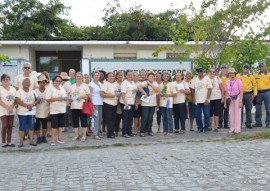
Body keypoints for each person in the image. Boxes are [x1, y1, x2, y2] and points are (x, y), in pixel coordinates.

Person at [120, 70, 147, 138]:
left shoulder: (132, 83)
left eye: (131, 75)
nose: (130, 76)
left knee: (130, 118)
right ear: (126, 76)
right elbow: (123, 94)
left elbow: (135, 93)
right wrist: (126, 103)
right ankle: (124, 132)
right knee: (125, 118)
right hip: (125, 103)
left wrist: (136, 103)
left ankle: (129, 131)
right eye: (128, 75)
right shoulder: (124, 83)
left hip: (132, 103)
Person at [15, 78, 40, 147]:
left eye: (28, 83)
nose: (27, 84)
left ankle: (31, 141)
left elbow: (38, 98)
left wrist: (33, 104)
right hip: (22, 113)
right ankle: (21, 142)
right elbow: (17, 100)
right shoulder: (19, 91)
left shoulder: (33, 91)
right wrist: (26, 106)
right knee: (22, 127)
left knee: (31, 127)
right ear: (22, 84)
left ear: (30, 84)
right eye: (25, 82)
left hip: (31, 112)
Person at [46, 76, 67, 146]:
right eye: (56, 80)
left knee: (61, 125)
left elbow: (65, 96)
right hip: (54, 110)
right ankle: (52, 140)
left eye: (59, 81)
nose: (58, 82)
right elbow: (48, 99)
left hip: (62, 109)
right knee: (54, 126)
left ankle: (59, 138)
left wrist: (65, 98)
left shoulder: (62, 88)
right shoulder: (50, 88)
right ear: (53, 81)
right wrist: (57, 99)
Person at [70, 72, 91, 141]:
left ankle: (84, 135)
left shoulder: (85, 85)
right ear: (75, 77)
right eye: (77, 76)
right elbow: (70, 95)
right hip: (73, 106)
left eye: (79, 76)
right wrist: (70, 98)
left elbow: (88, 96)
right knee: (75, 121)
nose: (78, 78)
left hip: (82, 106)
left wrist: (82, 96)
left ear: (82, 78)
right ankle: (76, 135)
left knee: (83, 121)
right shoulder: (72, 86)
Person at [191, 67, 212, 133]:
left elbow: (210, 89)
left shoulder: (207, 78)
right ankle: (199, 128)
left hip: (205, 100)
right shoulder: (195, 79)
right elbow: (193, 90)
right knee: (197, 115)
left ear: (203, 71)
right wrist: (193, 99)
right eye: (198, 71)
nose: (200, 72)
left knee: (206, 114)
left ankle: (206, 128)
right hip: (197, 100)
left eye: (201, 71)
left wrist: (207, 99)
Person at [236, 63, 257, 128]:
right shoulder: (238, 76)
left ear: (248, 69)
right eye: (244, 67)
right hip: (240, 95)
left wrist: (254, 94)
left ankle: (248, 123)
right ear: (242, 68)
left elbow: (255, 86)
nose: (245, 68)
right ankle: (239, 123)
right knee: (240, 109)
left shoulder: (251, 77)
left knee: (248, 109)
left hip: (248, 95)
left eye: (247, 67)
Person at [140, 71, 159, 137]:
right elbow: (139, 87)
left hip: (153, 103)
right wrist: (144, 93)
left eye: (152, 77)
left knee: (150, 118)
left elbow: (157, 90)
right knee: (144, 118)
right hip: (145, 103)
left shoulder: (155, 83)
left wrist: (150, 84)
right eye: (150, 76)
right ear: (147, 77)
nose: (151, 78)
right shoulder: (145, 82)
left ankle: (149, 130)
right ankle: (142, 131)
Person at [100, 72, 119, 138]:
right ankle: (109, 133)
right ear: (107, 77)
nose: (112, 77)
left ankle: (112, 131)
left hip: (115, 103)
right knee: (109, 119)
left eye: (113, 76)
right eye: (110, 76)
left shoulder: (115, 84)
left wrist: (117, 94)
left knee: (113, 118)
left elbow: (117, 92)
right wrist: (109, 95)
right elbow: (102, 94)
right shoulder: (105, 84)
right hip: (107, 104)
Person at [224, 68, 243, 134]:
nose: (231, 74)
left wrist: (241, 100)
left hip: (237, 98)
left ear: (235, 74)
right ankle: (232, 128)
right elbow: (226, 92)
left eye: (233, 73)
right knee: (231, 114)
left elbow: (241, 91)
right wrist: (225, 102)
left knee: (237, 114)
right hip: (230, 99)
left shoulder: (238, 81)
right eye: (230, 73)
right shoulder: (227, 82)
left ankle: (237, 129)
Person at [0, 74, 16, 148]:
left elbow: (16, 99)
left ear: (9, 80)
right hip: (3, 109)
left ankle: (9, 142)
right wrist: (7, 107)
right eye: (4, 79)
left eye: (7, 79)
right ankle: (3, 142)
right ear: (1, 81)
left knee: (10, 125)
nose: (6, 81)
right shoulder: (0, 88)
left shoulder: (13, 89)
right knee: (4, 125)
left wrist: (12, 106)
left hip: (11, 109)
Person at [253, 62, 270, 128]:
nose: (261, 68)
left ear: (265, 67)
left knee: (268, 108)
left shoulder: (269, 75)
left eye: (263, 66)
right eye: (260, 67)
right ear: (259, 67)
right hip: (258, 93)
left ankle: (268, 122)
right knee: (257, 108)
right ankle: (258, 122)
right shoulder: (255, 75)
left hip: (267, 92)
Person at [35, 74, 50, 144]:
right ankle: (38, 137)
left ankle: (44, 137)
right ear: (38, 83)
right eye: (40, 82)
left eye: (44, 82)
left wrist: (50, 111)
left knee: (45, 126)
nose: (42, 83)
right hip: (37, 112)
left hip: (46, 111)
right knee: (37, 126)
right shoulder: (34, 91)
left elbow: (50, 101)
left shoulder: (48, 91)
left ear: (45, 83)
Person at [89, 71, 104, 140]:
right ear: (93, 76)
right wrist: (91, 104)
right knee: (96, 119)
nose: (97, 76)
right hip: (94, 103)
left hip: (100, 102)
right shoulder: (91, 84)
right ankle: (95, 134)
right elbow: (90, 94)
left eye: (98, 75)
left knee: (100, 119)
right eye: (96, 75)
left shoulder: (100, 83)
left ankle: (98, 133)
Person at [218, 64, 230, 129]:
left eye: (225, 68)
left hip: (227, 95)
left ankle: (226, 123)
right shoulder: (218, 77)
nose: (224, 69)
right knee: (220, 110)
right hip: (220, 95)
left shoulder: (229, 78)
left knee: (226, 110)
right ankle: (220, 123)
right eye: (223, 68)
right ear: (221, 69)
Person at [114, 71, 124, 136]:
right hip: (117, 102)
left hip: (124, 101)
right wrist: (122, 92)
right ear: (117, 76)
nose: (120, 76)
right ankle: (116, 130)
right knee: (117, 116)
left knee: (124, 116)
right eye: (119, 75)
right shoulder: (114, 84)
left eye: (121, 75)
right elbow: (116, 93)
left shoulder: (125, 83)